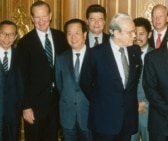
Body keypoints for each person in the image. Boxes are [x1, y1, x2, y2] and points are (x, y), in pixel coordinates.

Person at [82, 13, 142, 141]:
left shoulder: (135, 51)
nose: (134, 36)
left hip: (127, 120)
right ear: (116, 33)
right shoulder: (95, 54)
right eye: (130, 32)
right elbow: (85, 82)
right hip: (103, 121)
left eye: (134, 32)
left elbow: (134, 81)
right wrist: (102, 101)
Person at [16, 1, 69, 141]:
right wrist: (26, 107)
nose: (41, 21)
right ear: (32, 19)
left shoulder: (62, 37)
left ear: (50, 16)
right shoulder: (24, 43)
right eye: (37, 17)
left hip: (57, 105)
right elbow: (21, 78)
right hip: (34, 107)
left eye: (44, 16)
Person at [55, 19, 92, 141]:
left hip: (89, 117)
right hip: (67, 117)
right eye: (69, 33)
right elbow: (60, 87)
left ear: (85, 35)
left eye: (77, 33)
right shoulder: (60, 59)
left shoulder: (96, 57)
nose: (73, 37)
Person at [131, 17, 153, 141]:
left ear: (149, 34)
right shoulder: (125, 54)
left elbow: (161, 86)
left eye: (142, 33)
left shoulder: (157, 56)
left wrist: (145, 103)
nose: (137, 37)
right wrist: (133, 103)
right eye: (135, 33)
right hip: (129, 112)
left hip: (149, 113)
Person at [0, 20, 21, 141]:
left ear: (16, 37)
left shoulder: (21, 56)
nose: (7, 38)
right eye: (3, 33)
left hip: (13, 112)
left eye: (11, 34)